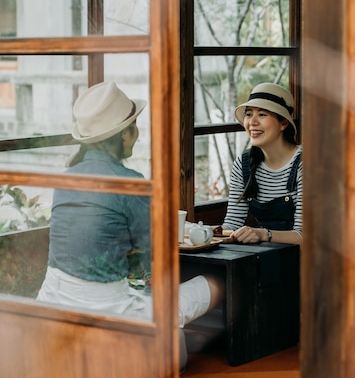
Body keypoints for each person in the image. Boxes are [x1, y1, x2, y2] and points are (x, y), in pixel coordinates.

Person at [37, 81, 224, 367]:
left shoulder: (66, 177)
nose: (137, 135)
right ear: (125, 134)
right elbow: (155, 249)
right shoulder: (129, 182)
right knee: (213, 284)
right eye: (135, 127)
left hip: (52, 303)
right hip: (111, 308)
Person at [218, 82, 302, 245]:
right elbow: (232, 224)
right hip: (268, 258)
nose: (252, 122)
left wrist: (264, 234)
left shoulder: (304, 164)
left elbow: (304, 236)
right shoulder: (243, 165)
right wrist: (201, 232)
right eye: (249, 114)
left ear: (283, 123)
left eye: (262, 115)